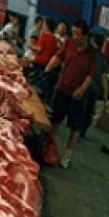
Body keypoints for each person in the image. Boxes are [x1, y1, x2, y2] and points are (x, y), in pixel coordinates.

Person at [44, 19, 95, 169]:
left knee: (75, 127)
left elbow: (90, 76)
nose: (75, 37)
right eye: (73, 33)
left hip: (77, 95)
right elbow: (58, 58)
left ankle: (67, 156)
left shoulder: (92, 53)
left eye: (78, 35)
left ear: (85, 36)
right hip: (63, 88)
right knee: (55, 120)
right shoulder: (68, 43)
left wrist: (82, 90)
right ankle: (48, 148)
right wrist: (46, 70)